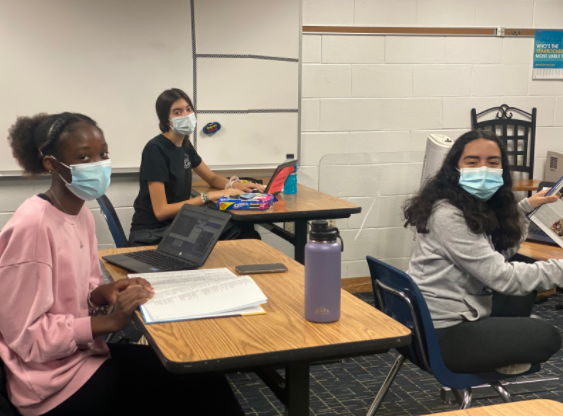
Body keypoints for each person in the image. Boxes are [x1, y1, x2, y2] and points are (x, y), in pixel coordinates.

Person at [0, 112, 245, 415]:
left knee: (203, 376)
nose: (98, 164)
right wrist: (109, 322)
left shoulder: (82, 215)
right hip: (52, 386)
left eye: (102, 154)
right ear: (52, 164)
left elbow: (78, 296)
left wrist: (103, 294)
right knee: (189, 392)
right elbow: (26, 336)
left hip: (85, 357)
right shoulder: (33, 226)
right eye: (83, 157)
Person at [403, 129, 563, 374]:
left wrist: (525, 208)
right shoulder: (449, 214)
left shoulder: (468, 204)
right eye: (472, 161)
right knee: (548, 336)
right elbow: (503, 277)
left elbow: (500, 251)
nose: (483, 169)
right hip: (440, 333)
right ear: (455, 167)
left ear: (502, 169)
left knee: (522, 285)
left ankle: (503, 341)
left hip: (446, 312)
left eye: (493, 162)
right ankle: (502, 345)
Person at [129, 88, 263, 246]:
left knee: (243, 228)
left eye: (188, 109)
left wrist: (237, 185)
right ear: (166, 121)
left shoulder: (184, 145)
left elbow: (211, 178)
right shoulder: (155, 149)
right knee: (242, 233)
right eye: (177, 112)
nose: (186, 115)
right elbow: (161, 211)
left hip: (176, 224)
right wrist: (209, 197)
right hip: (152, 233)